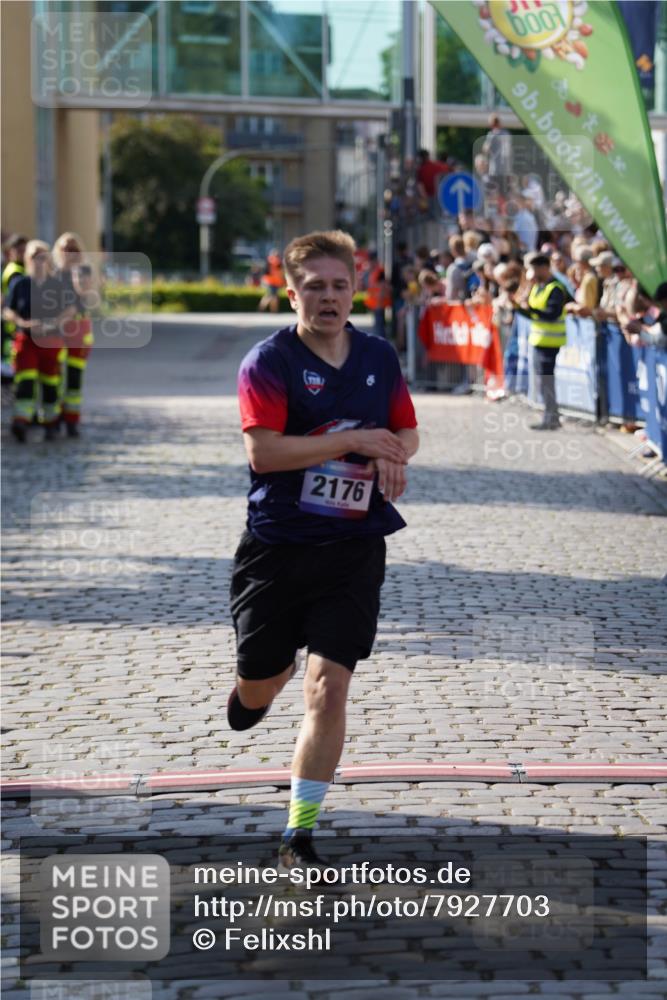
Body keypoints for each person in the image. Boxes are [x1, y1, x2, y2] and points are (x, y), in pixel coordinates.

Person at [227, 230, 419, 870]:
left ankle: (298, 832)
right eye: (315, 287)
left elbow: (408, 431)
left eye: (340, 285)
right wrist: (354, 440)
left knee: (329, 688)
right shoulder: (268, 362)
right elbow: (266, 451)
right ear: (291, 293)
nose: (329, 298)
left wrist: (389, 451)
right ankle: (260, 682)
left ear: (354, 288)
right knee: (260, 687)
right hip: (278, 547)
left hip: (353, 547)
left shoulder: (378, 357)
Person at [3, 240, 76, 442]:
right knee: (25, 383)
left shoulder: (57, 285)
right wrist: (22, 322)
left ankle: (51, 424)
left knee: (50, 384)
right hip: (26, 341)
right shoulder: (21, 284)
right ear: (27, 259)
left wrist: (53, 322)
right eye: (34, 256)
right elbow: (8, 310)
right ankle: (21, 423)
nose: (38, 260)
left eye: (41, 256)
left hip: (51, 341)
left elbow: (70, 309)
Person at [510, 251, 570, 430]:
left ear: (544, 268)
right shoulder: (538, 286)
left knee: (547, 381)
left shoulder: (556, 288)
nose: (532, 274)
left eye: (534, 269)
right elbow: (533, 312)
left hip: (550, 343)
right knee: (542, 381)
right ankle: (549, 416)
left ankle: (551, 418)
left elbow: (552, 314)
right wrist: (520, 308)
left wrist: (528, 310)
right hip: (538, 341)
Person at [53, 232, 95, 437]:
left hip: (78, 329)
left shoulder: (83, 270)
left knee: (74, 378)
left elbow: (84, 294)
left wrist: (76, 271)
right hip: (57, 330)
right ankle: (54, 417)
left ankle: (71, 420)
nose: (69, 253)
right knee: (54, 375)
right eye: (65, 249)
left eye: (74, 249)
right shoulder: (53, 273)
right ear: (58, 251)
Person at [1, 234, 27, 382]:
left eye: (24, 250)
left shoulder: (18, 268)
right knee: (11, 360)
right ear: (11, 251)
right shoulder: (15, 271)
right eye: (19, 250)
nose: (22, 253)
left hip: (12, 321)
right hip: (13, 323)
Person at [363, 250, 392, 338]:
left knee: (380, 326)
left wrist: (379, 300)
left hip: (379, 302)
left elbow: (383, 286)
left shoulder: (380, 271)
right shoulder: (374, 271)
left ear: (374, 261)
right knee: (378, 324)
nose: (369, 263)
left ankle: (381, 342)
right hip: (376, 302)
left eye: (371, 261)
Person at [258, 249, 284, 313]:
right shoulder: (274, 262)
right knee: (273, 296)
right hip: (271, 282)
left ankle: (266, 309)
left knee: (271, 296)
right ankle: (272, 310)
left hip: (274, 282)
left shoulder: (270, 261)